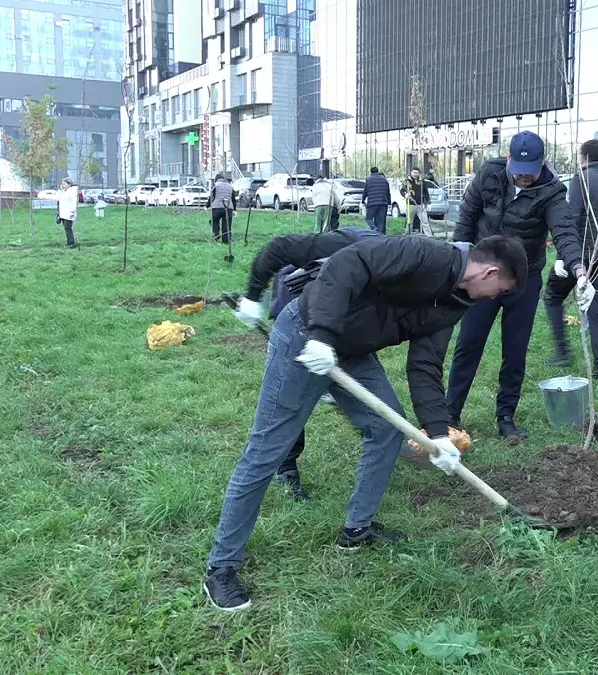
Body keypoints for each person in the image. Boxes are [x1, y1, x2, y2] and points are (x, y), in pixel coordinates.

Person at [205, 234, 530, 612]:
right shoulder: (425, 254)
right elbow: (347, 264)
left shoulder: (456, 303)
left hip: (352, 351)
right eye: (498, 289)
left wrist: (438, 435)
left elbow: (425, 366)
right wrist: (323, 337)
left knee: (386, 429)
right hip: (307, 333)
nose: (493, 298)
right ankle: (222, 567)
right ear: (489, 272)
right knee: (267, 450)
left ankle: (357, 528)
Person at [448, 130, 588, 441]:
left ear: (543, 164)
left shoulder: (551, 191)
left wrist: (578, 269)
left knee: (515, 351)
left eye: (531, 173)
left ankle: (506, 417)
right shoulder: (489, 174)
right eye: (519, 173)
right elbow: (467, 216)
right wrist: (458, 261)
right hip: (482, 276)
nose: (524, 179)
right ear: (508, 159)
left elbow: (564, 230)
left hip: (523, 280)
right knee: (468, 343)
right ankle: (450, 414)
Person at [232, 227, 385, 500]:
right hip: (297, 295)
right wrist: (252, 297)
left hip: (345, 314)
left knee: (356, 371)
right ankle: (286, 465)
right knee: (290, 398)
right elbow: (278, 247)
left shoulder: (395, 272)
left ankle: (375, 438)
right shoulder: (344, 247)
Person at [543, 139, 598, 378]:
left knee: (553, 297)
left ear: (584, 157)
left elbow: (574, 218)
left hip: (578, 256)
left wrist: (562, 256)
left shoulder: (581, 180)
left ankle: (562, 352)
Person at [401, 167, 431, 235]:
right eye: (414, 172)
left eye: (417, 173)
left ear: (419, 173)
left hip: (421, 205)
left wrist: (428, 203)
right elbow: (402, 190)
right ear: (411, 173)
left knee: (425, 221)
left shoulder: (421, 182)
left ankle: (429, 236)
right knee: (409, 222)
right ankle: (407, 235)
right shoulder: (407, 181)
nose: (415, 174)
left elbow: (426, 192)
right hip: (411, 205)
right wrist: (405, 195)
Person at [208, 174, 235, 244]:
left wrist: (207, 205)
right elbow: (233, 198)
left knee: (214, 221)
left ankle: (216, 235)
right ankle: (226, 241)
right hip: (229, 207)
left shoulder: (215, 185)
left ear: (216, 179)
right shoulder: (230, 186)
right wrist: (234, 210)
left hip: (217, 207)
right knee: (226, 225)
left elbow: (211, 197)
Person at [363, 166, 390, 233]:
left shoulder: (368, 180)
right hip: (383, 203)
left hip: (372, 203)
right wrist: (389, 202)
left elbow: (365, 192)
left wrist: (363, 200)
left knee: (368, 218)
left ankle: (374, 229)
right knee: (381, 221)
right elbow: (388, 192)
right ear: (378, 171)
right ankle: (381, 235)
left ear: (371, 172)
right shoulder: (384, 180)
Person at [57, 178, 79, 249]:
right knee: (66, 228)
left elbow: (74, 202)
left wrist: (72, 211)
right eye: (62, 184)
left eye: (64, 184)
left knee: (68, 228)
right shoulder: (63, 191)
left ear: (69, 184)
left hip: (69, 213)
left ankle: (72, 243)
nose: (62, 185)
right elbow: (58, 197)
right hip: (63, 213)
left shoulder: (72, 192)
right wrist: (60, 190)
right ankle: (69, 242)